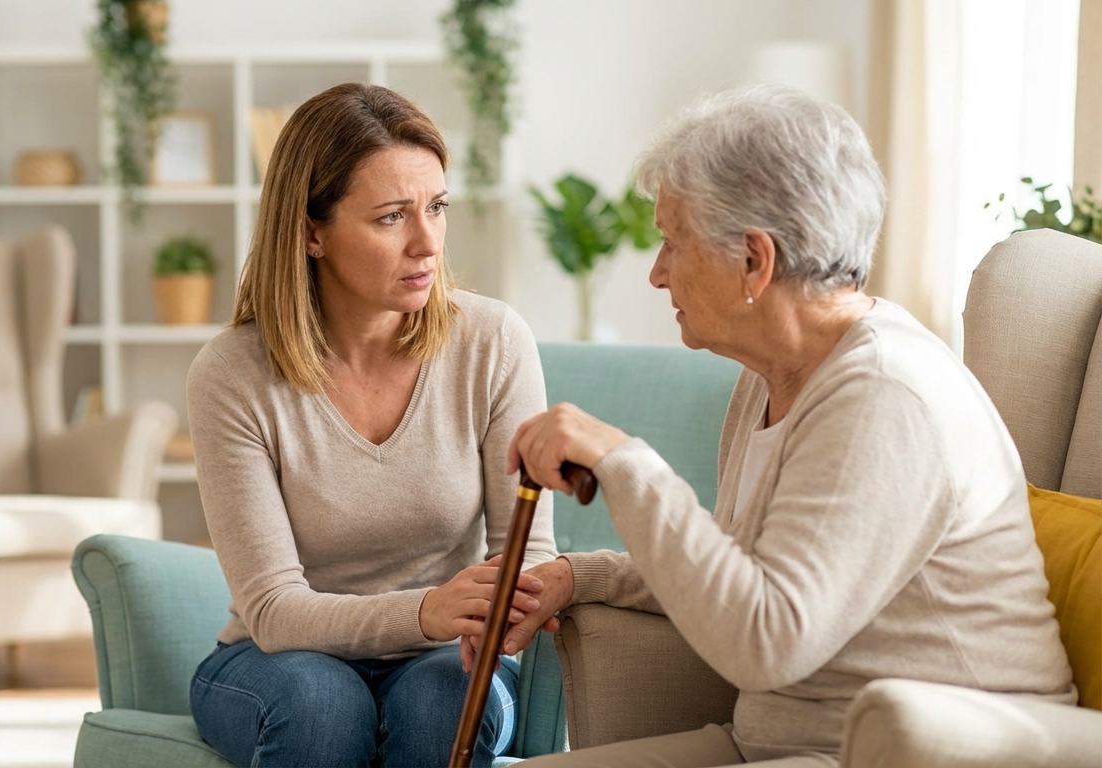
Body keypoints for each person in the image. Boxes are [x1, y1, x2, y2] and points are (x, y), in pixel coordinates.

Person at [494, 85, 1077, 767]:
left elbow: (768, 636)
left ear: (754, 260)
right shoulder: (775, 376)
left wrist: (625, 463)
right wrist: (576, 576)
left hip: (923, 753)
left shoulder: (885, 395)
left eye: (673, 242)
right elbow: (737, 575)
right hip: (787, 745)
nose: (656, 274)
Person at [186, 82, 559, 768]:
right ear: (310, 231)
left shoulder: (493, 341)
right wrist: (424, 611)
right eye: (391, 217)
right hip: (280, 659)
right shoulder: (233, 373)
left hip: (445, 656)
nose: (427, 243)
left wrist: (483, 617)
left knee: (436, 706)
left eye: (437, 208)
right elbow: (272, 609)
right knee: (323, 705)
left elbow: (526, 556)